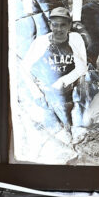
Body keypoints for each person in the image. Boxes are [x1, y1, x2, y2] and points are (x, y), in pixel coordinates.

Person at [19, 7, 89, 140]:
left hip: (69, 85)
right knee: (48, 119)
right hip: (50, 89)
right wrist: (36, 93)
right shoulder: (41, 42)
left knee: (87, 82)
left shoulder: (75, 39)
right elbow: (24, 67)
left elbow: (82, 67)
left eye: (63, 25)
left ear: (69, 25)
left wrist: (63, 81)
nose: (59, 29)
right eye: (55, 25)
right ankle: (59, 128)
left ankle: (77, 124)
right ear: (50, 25)